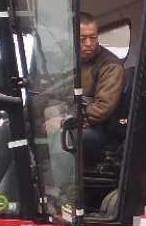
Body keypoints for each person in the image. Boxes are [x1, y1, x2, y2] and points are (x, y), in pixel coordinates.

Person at [42, 13, 126, 160]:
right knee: (17, 129)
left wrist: (63, 122)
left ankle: (64, 176)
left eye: (93, 38)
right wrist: (26, 113)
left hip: (99, 128)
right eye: (82, 39)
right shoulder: (71, 62)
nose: (88, 43)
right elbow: (53, 91)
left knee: (62, 136)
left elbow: (102, 109)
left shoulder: (110, 66)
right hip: (73, 117)